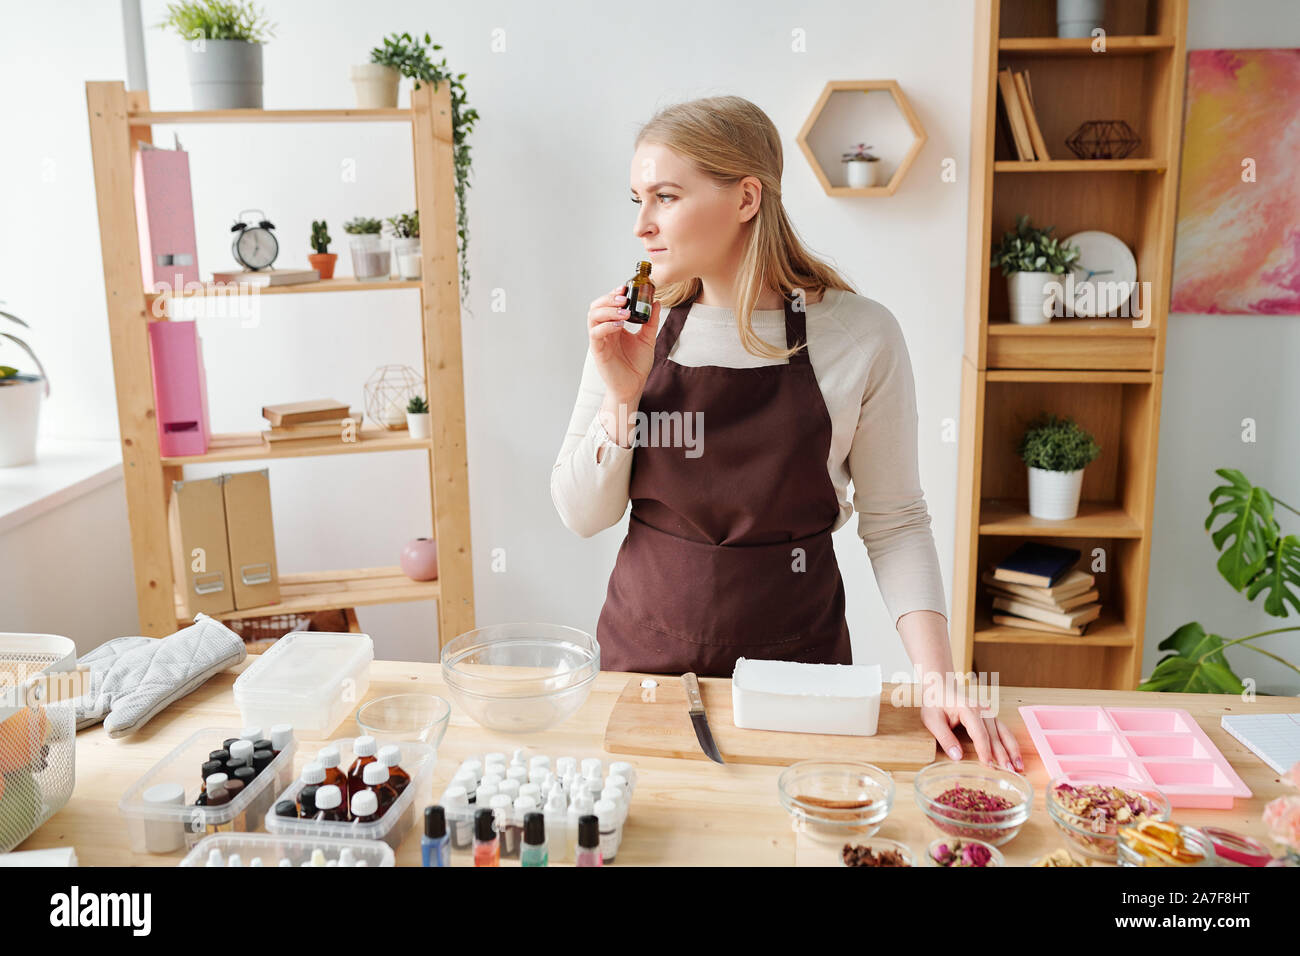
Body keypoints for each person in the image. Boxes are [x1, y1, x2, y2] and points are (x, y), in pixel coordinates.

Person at [551, 95, 1021, 771]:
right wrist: (622, 397)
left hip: (801, 675)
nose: (643, 226)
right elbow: (580, 515)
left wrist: (938, 676)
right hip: (644, 672)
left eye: (665, 196)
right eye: (637, 200)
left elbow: (895, 521)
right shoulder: (632, 330)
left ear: (746, 198)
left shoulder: (861, 334)